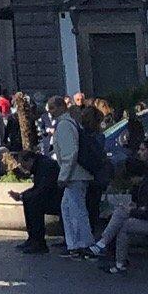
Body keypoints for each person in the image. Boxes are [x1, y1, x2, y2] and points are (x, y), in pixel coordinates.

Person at [88, 153, 148, 274]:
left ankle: (107, 247)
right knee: (122, 213)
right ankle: (110, 252)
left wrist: (131, 210)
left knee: (125, 225)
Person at [51, 96, 96, 256]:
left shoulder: (64, 125)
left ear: (61, 107)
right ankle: (75, 244)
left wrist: (63, 176)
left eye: (52, 108)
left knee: (75, 209)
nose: (50, 112)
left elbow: (70, 153)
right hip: (77, 173)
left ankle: (82, 244)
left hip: (74, 174)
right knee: (69, 207)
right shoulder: (71, 123)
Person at [8, 148, 60, 255]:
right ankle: (32, 238)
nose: (25, 168)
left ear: (30, 160)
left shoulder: (45, 166)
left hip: (57, 197)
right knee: (30, 200)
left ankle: (38, 242)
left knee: (34, 203)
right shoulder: (40, 165)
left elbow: (43, 188)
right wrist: (22, 196)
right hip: (51, 195)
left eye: (24, 165)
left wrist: (24, 196)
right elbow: (38, 188)